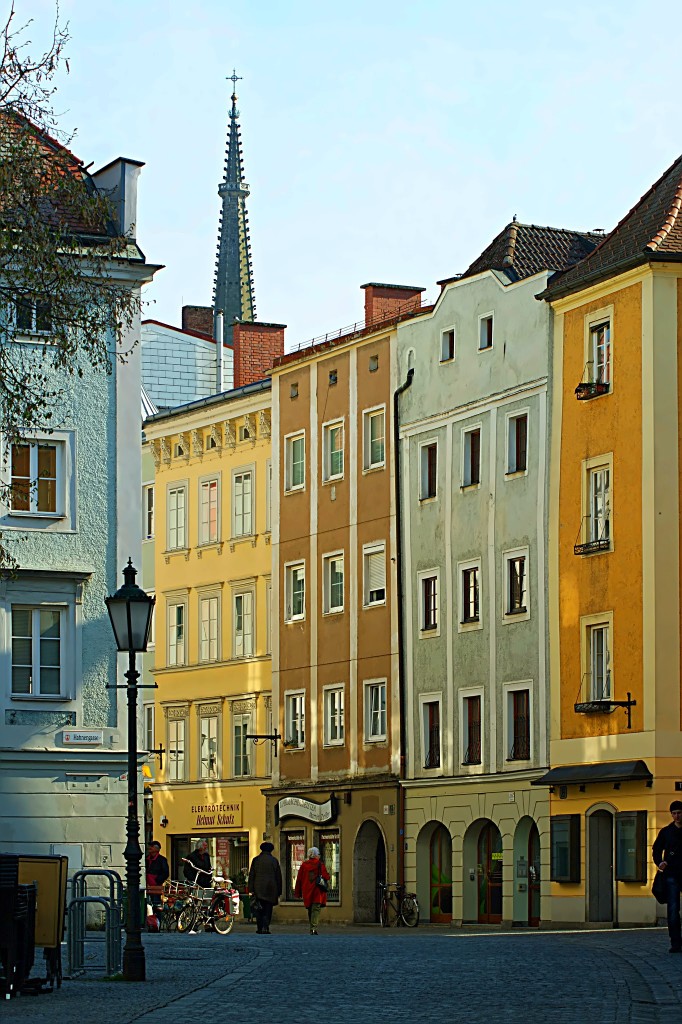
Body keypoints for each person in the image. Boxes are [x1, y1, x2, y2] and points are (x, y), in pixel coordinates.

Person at [653, 800, 682, 953]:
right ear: (671, 815)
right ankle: (676, 942)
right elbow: (656, 849)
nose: (677, 816)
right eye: (674, 813)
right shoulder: (666, 832)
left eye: (679, 813)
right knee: (673, 909)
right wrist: (660, 862)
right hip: (671, 875)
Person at [248, 841, 283, 934]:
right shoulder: (274, 861)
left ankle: (259, 927)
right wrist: (279, 890)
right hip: (271, 889)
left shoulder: (256, 860)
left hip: (258, 889)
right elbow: (278, 877)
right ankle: (265, 927)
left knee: (258, 909)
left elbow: (252, 875)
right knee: (268, 909)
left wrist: (251, 889)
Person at [294, 846, 330, 935]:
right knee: (316, 909)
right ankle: (313, 928)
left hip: (307, 889)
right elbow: (326, 876)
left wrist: (298, 892)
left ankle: (312, 926)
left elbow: (299, 879)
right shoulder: (320, 864)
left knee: (310, 909)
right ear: (316, 855)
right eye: (318, 854)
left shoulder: (304, 865)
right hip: (317, 890)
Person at [145, 840, 169, 911]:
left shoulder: (162, 860)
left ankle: (157, 919)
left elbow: (166, 873)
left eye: (151, 846)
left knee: (156, 906)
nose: (149, 848)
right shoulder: (146, 859)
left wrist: (157, 881)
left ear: (156, 849)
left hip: (156, 887)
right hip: (146, 886)